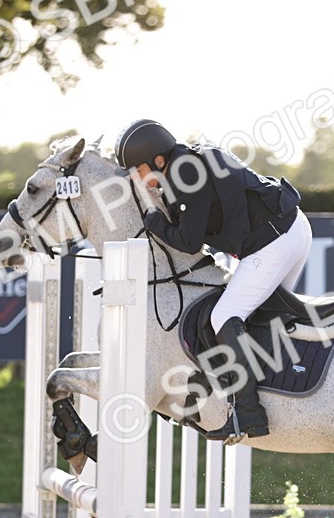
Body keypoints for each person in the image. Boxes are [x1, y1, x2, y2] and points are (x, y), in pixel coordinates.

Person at [114, 118, 311, 443]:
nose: (136, 177)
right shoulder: (186, 164)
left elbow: (190, 242)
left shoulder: (186, 173)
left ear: (158, 160)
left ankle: (249, 415)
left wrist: (154, 222)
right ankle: (287, 390)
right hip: (288, 229)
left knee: (224, 316)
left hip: (276, 239)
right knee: (261, 316)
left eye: (138, 169)